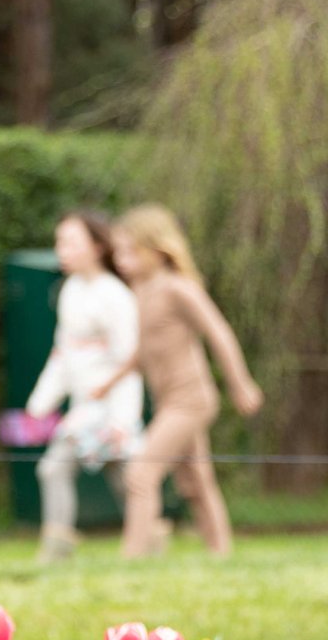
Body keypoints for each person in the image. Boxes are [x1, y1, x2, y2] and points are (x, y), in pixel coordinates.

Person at [96, 204, 261, 558]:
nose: (121, 260)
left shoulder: (178, 289)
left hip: (191, 399)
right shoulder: (139, 290)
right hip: (168, 400)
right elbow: (145, 350)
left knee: (141, 473)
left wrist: (240, 383)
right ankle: (221, 553)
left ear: (158, 251)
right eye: (118, 252)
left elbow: (218, 333)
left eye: (130, 251)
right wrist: (110, 382)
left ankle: (133, 555)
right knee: (196, 482)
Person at [23, 210, 142, 563]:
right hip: (83, 409)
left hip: (111, 409)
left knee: (128, 480)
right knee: (56, 468)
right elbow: (63, 355)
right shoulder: (70, 291)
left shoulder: (116, 295)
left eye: (71, 242)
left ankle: (146, 540)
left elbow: (129, 362)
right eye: (59, 242)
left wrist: (123, 419)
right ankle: (58, 545)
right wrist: (39, 404)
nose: (62, 250)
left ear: (97, 246)